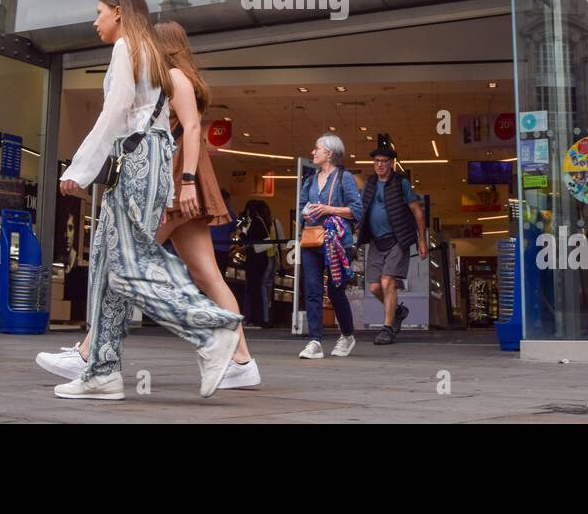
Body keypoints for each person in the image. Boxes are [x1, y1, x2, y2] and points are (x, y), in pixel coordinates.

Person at [38, 19, 260, 390]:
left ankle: (90, 355)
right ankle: (241, 359)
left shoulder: (169, 77)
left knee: (125, 264)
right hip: (181, 182)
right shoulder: (176, 78)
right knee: (206, 275)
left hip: (169, 182)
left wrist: (184, 182)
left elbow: (189, 130)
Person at [298, 134, 363, 359]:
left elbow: (356, 210)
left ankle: (347, 335)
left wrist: (328, 209)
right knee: (313, 291)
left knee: (336, 292)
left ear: (329, 153)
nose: (313, 152)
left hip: (337, 242)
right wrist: (307, 212)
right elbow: (301, 208)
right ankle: (314, 340)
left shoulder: (345, 178)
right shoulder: (309, 180)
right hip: (312, 240)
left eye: (317, 149)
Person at [358, 146, 426, 344]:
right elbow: (360, 210)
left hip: (398, 240)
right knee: (374, 287)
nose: (380, 164)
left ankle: (387, 329)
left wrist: (421, 240)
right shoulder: (370, 184)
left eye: (384, 161)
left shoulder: (401, 183)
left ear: (391, 163)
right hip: (376, 242)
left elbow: (417, 212)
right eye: (376, 161)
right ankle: (398, 311)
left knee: (388, 282)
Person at [240, 200, 274, 327]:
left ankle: (257, 318)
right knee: (258, 288)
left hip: (255, 259)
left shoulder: (255, 222)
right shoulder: (263, 221)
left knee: (254, 288)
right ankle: (258, 317)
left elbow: (247, 240)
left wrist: (243, 231)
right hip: (262, 258)